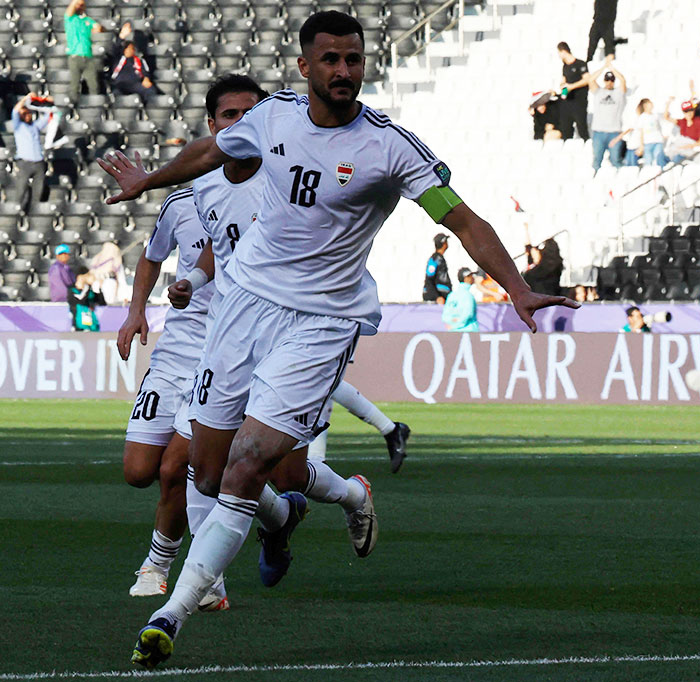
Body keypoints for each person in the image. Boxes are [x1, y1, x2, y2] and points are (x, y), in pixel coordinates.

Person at [98, 10, 578, 668]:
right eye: (330, 60)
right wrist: (150, 179)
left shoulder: (388, 147)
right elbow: (215, 152)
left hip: (322, 323)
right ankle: (295, 513)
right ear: (305, 66)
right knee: (205, 470)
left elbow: (460, 217)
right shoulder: (274, 117)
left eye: (353, 59)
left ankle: (169, 614)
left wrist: (518, 287)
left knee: (246, 466)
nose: (343, 71)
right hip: (243, 305)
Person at [118, 75, 412, 607]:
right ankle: (237, 555)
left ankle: (343, 498)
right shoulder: (200, 186)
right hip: (214, 335)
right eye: (228, 116)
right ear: (214, 126)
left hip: (285, 330)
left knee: (280, 470)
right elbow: (209, 250)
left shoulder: (285, 175)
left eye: (248, 114)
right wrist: (190, 285)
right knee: (179, 468)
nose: (240, 125)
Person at [11, 94, 50, 212]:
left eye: (28, 113)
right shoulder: (18, 126)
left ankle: (34, 215)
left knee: (38, 192)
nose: (27, 116)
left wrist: (42, 101)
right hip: (25, 163)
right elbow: (15, 110)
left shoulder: (35, 127)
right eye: (24, 114)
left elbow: (50, 115)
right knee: (21, 191)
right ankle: (16, 214)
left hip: (38, 163)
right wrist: (25, 99)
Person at [588, 58, 627, 172]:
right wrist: (604, 67)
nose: (609, 83)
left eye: (611, 80)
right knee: (596, 161)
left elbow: (623, 81)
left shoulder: (618, 93)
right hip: (599, 132)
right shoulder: (599, 92)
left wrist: (612, 69)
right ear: (604, 81)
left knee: (616, 160)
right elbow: (591, 80)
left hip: (614, 132)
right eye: (607, 80)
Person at [65, 0, 102, 98]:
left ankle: (94, 106)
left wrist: (97, 28)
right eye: (77, 4)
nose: (79, 6)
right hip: (74, 56)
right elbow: (70, 9)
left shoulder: (87, 20)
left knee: (94, 85)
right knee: (74, 85)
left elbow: (97, 28)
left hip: (88, 57)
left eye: (81, 5)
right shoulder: (70, 19)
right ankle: (72, 108)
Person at [557, 42, 590, 141]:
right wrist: (563, 87)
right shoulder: (565, 66)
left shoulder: (580, 64)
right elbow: (564, 81)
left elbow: (587, 79)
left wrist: (572, 86)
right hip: (568, 101)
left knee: (581, 127)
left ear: (563, 51)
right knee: (566, 128)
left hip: (579, 101)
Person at [109, 41, 157, 105]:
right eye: (127, 48)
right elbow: (113, 49)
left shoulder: (139, 60)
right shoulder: (117, 59)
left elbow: (146, 72)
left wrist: (146, 79)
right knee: (116, 94)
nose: (129, 50)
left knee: (150, 90)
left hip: (135, 84)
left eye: (131, 48)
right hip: (119, 84)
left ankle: (149, 110)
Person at [522, 225, 563, 295]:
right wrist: (526, 229)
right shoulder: (533, 266)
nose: (533, 254)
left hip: (547, 298)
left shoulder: (548, 268)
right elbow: (528, 248)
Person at [68, 266, 105, 331]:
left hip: (92, 326)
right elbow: (81, 301)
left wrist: (99, 289)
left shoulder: (90, 291)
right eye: (88, 275)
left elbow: (102, 303)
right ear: (81, 277)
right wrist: (86, 288)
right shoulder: (72, 291)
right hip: (79, 327)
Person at [631, 98, 666, 167]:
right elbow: (641, 133)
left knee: (658, 159)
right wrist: (641, 145)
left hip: (657, 141)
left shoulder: (655, 115)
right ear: (645, 105)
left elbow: (660, 127)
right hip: (647, 142)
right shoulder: (642, 117)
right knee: (648, 161)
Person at [422, 233, 452, 303]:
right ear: (444, 244)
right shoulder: (435, 259)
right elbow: (429, 279)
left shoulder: (440, 259)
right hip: (436, 300)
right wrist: (437, 297)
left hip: (442, 297)